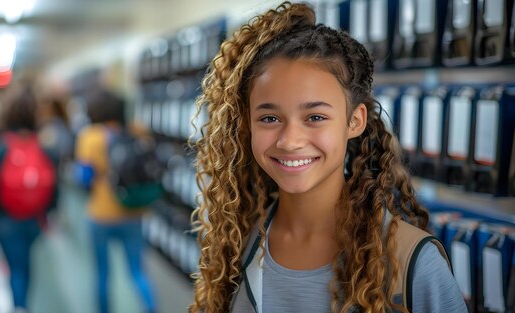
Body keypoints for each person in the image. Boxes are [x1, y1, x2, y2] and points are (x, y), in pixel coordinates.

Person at [188, 2, 467, 313]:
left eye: (316, 117)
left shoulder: (412, 263)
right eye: (269, 118)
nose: (290, 141)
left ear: (354, 121)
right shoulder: (237, 242)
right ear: (248, 124)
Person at [75, 89, 157, 313]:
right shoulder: (137, 130)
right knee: (137, 271)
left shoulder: (89, 136)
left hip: (101, 214)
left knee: (102, 272)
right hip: (133, 210)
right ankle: (151, 308)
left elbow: (83, 179)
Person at [0, 86, 59, 313]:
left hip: (8, 219)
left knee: (15, 267)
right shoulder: (46, 148)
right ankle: (23, 302)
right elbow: (55, 189)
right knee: (25, 264)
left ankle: (19, 306)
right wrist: (47, 215)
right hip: (35, 219)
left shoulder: (1, 147)